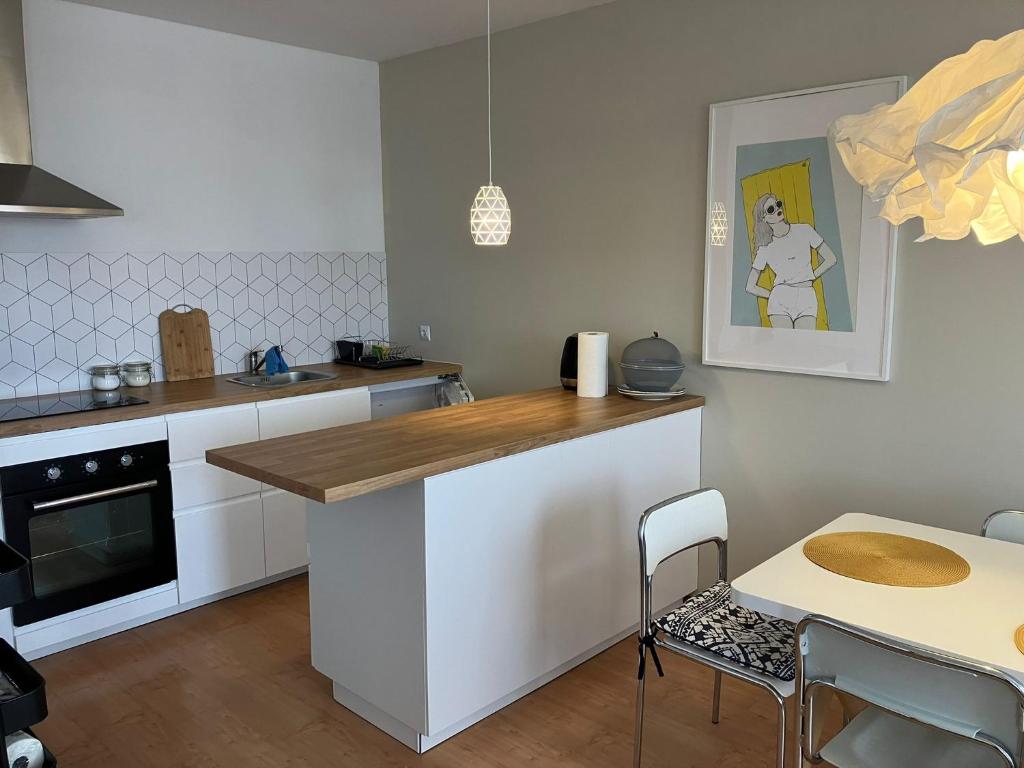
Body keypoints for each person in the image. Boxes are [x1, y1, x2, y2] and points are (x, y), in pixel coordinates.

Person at [744, 193, 838, 330]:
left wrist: (812, 275)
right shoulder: (765, 247)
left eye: (778, 204)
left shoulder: (804, 230)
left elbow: (831, 258)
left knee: (804, 346)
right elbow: (750, 286)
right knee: (784, 346)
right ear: (764, 219)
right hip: (780, 299)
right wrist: (774, 295)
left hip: (807, 296)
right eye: (771, 209)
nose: (777, 209)